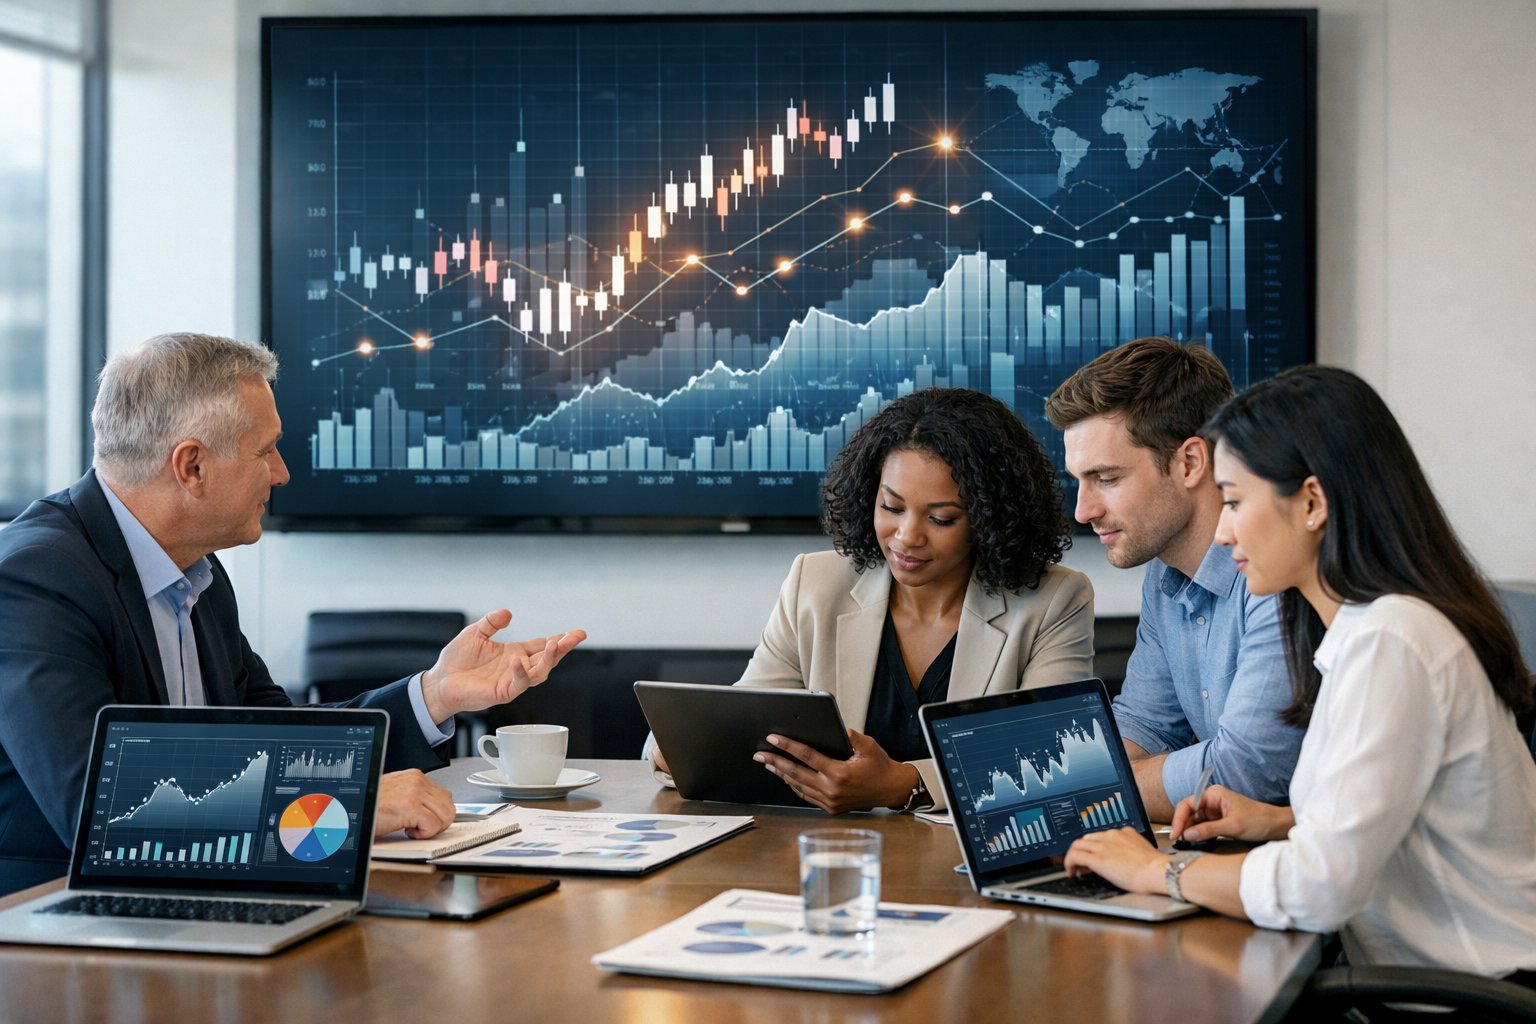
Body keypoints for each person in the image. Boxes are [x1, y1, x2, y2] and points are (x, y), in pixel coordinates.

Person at [0, 332, 587, 895]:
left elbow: (280, 738)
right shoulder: (35, 580)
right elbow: (99, 806)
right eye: (267, 450)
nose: (282, 473)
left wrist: (435, 694)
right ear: (192, 467)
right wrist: (342, 806)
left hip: (201, 901)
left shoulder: (197, 573)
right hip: (56, 937)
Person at [1063, 366, 1536, 985]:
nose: (1224, 530)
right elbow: (1405, 814)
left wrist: (1154, 870)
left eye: (1233, 502)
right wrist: (1283, 822)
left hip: (1475, 997)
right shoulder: (1372, 629)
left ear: (1312, 503)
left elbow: (1320, 889)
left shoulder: (1390, 643)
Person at [652, 387, 1094, 813]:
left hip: (969, 863)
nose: (907, 537)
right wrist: (677, 749)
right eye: (892, 507)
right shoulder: (815, 582)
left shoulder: (1054, 600)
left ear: (991, 518)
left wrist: (904, 784)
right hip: (834, 855)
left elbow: (1054, 758)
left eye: (941, 518)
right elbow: (742, 718)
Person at [1045, 338, 1302, 821]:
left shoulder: (1279, 572)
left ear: (1189, 462)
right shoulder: (1164, 573)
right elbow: (1145, 725)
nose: (1082, 511)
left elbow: (1249, 772)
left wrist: (1092, 790)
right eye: (1078, 480)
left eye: (1106, 478)